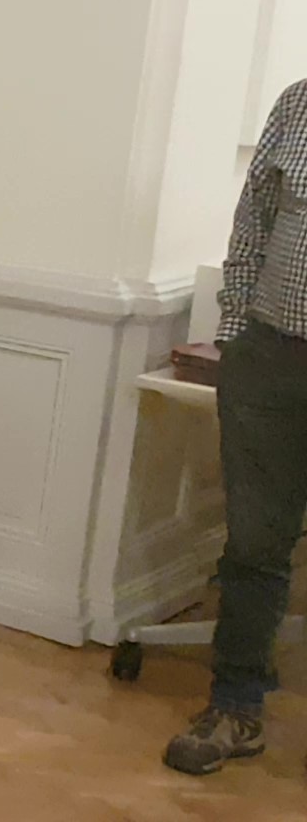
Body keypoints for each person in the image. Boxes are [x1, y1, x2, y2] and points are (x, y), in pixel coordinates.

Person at [163, 80, 307, 776]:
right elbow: (252, 226)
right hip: (269, 359)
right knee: (254, 542)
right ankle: (235, 708)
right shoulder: (298, 104)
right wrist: (236, 334)